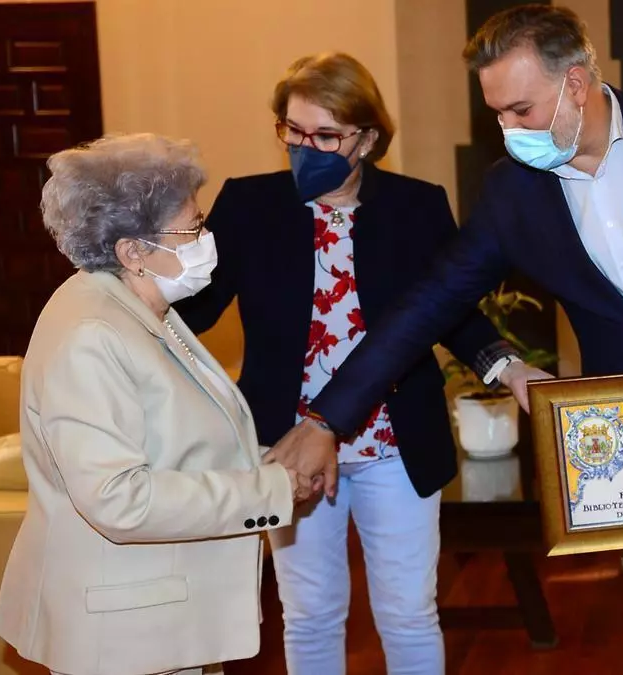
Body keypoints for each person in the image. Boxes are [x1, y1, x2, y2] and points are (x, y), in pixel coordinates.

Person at [264, 6, 623, 675]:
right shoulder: (513, 192)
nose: (507, 130)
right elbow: (426, 306)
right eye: (496, 113)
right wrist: (326, 418)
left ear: (576, 84)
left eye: (520, 110)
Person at [172, 52, 513, 675]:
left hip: (394, 441)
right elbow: (198, 308)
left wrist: (507, 367)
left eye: (326, 136)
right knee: (309, 613)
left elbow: (453, 314)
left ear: (368, 138)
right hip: (290, 444)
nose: (307, 149)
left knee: (408, 612)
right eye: (294, 131)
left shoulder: (417, 206)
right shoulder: (248, 205)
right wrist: (129, 297)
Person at [0, 133, 304, 675]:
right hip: (123, 633)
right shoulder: (91, 333)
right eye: (193, 228)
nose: (207, 239)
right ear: (132, 251)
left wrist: (266, 461)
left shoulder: (139, 306)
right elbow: (118, 499)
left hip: (160, 619)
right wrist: (267, 489)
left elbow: (171, 439)